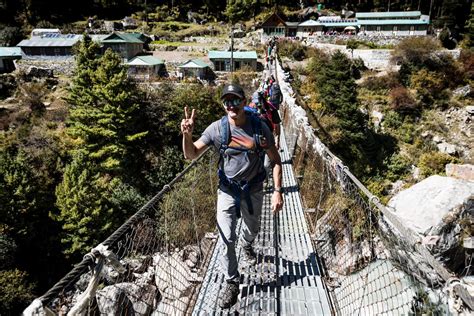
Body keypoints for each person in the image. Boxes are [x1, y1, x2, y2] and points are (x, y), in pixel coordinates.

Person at [181, 83, 284, 309]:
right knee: (226, 238)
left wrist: (277, 191)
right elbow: (191, 155)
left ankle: (247, 244)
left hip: (253, 190)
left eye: (236, 100)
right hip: (227, 191)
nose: (232, 105)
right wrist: (187, 136)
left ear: (244, 101)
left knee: (252, 230)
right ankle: (232, 281)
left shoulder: (260, 129)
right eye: (227, 101)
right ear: (223, 105)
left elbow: (276, 160)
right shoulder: (217, 129)